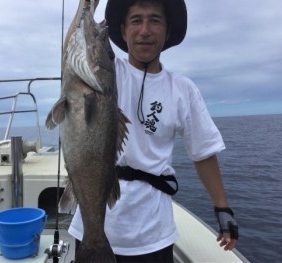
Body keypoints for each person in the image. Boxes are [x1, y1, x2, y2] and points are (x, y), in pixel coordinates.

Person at [66, 0, 239, 262]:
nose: (145, 30)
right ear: (123, 31)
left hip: (154, 235)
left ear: (167, 32)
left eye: (155, 20)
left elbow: (203, 152)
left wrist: (222, 208)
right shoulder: (107, 72)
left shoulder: (183, 89)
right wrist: (86, 6)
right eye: (136, 20)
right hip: (95, 222)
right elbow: (73, 52)